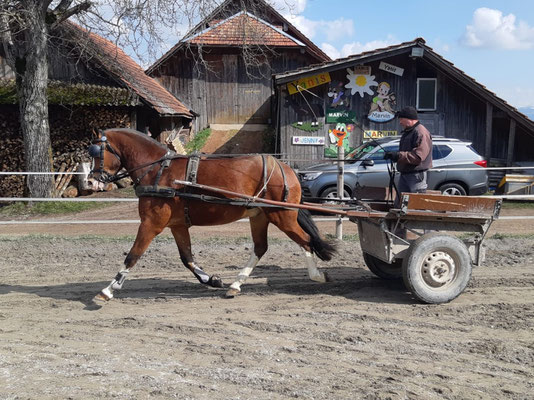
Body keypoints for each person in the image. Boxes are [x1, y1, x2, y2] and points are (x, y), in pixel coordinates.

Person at [384, 106, 432, 200]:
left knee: (416, 203)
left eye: (401, 119)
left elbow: (418, 157)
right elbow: (407, 153)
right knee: (400, 204)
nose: (400, 122)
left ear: (409, 119)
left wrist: (398, 155)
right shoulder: (409, 131)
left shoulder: (420, 132)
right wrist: (394, 156)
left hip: (416, 175)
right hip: (406, 173)